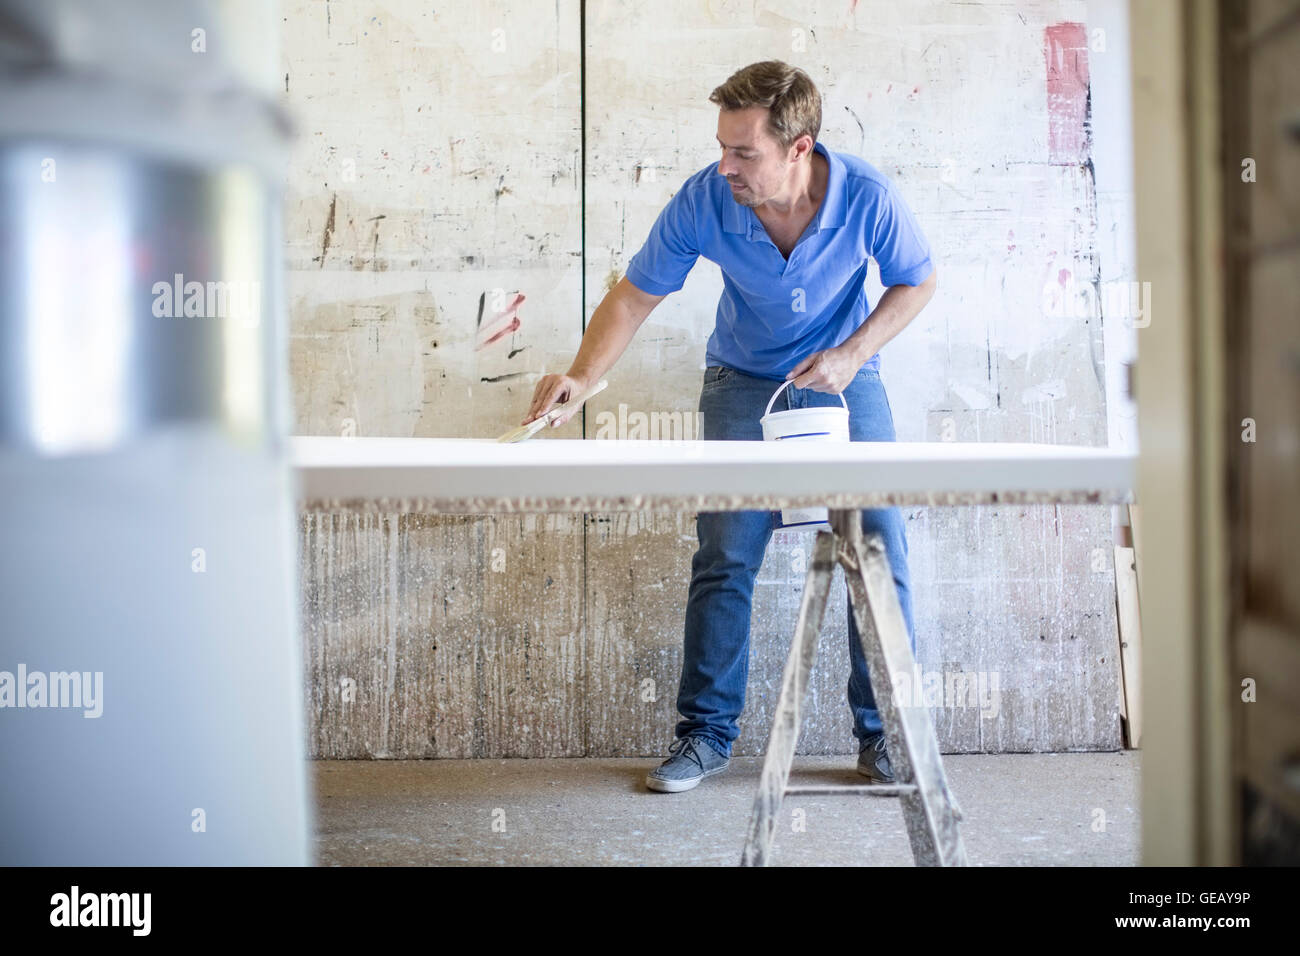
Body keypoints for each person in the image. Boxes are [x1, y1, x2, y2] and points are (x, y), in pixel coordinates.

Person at [520, 60, 936, 793]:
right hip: (743, 384)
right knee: (725, 556)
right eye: (722, 146)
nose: (727, 165)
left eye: (745, 152)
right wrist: (581, 379)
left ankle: (885, 738)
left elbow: (918, 280)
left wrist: (852, 353)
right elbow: (632, 297)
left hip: (845, 378)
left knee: (875, 550)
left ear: (799, 148)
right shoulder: (706, 200)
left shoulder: (867, 196)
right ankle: (706, 738)